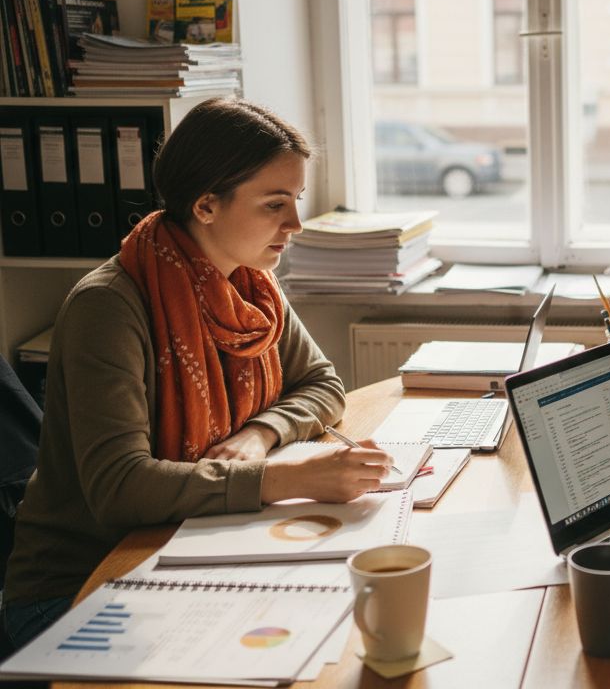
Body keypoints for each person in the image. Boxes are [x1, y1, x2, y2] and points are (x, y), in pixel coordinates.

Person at [1, 98, 391, 650]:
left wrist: (259, 434)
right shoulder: (109, 305)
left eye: (295, 201)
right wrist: (293, 478)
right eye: (274, 204)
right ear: (206, 206)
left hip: (189, 544)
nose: (295, 224)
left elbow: (323, 384)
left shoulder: (252, 285)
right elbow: (119, 487)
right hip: (77, 587)